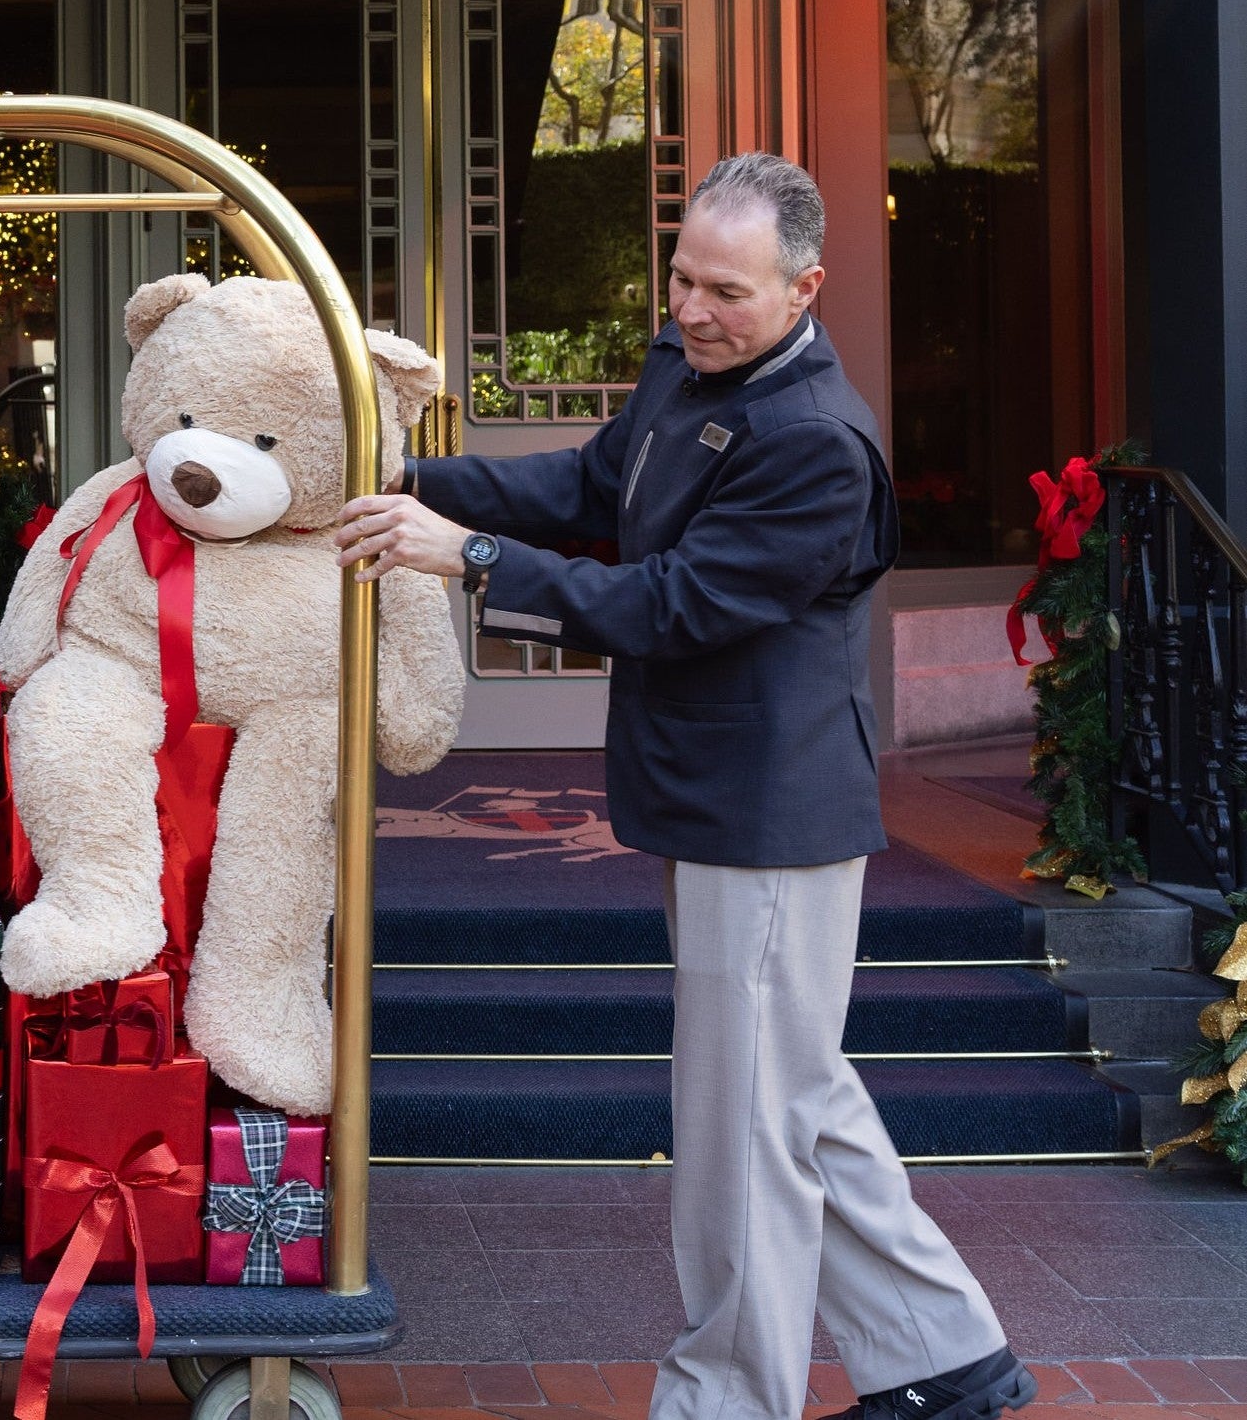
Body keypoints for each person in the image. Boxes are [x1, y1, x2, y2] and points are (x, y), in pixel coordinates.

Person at [335, 154, 1034, 1420]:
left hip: (768, 819)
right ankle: (947, 1356)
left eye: (726, 289)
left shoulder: (819, 442)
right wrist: (413, 481)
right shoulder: (687, 367)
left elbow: (674, 604)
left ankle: (724, 1398)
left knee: (736, 1143)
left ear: (804, 287)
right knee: (793, 1094)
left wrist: (472, 558)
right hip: (713, 803)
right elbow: (596, 488)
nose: (693, 308)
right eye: (682, 278)